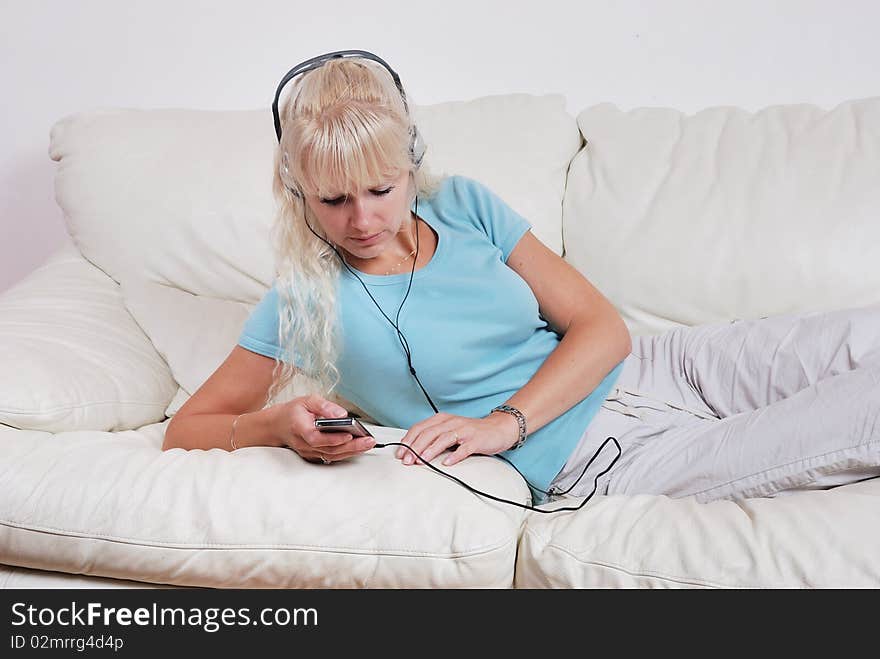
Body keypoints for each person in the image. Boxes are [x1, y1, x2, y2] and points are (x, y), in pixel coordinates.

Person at [162, 51, 880, 506]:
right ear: (298, 193)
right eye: (333, 199)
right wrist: (277, 427)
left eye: (381, 188)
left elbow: (601, 326)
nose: (362, 218)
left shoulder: (464, 202)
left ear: (411, 162)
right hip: (590, 458)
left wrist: (504, 419)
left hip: (660, 368)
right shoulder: (302, 300)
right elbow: (185, 429)